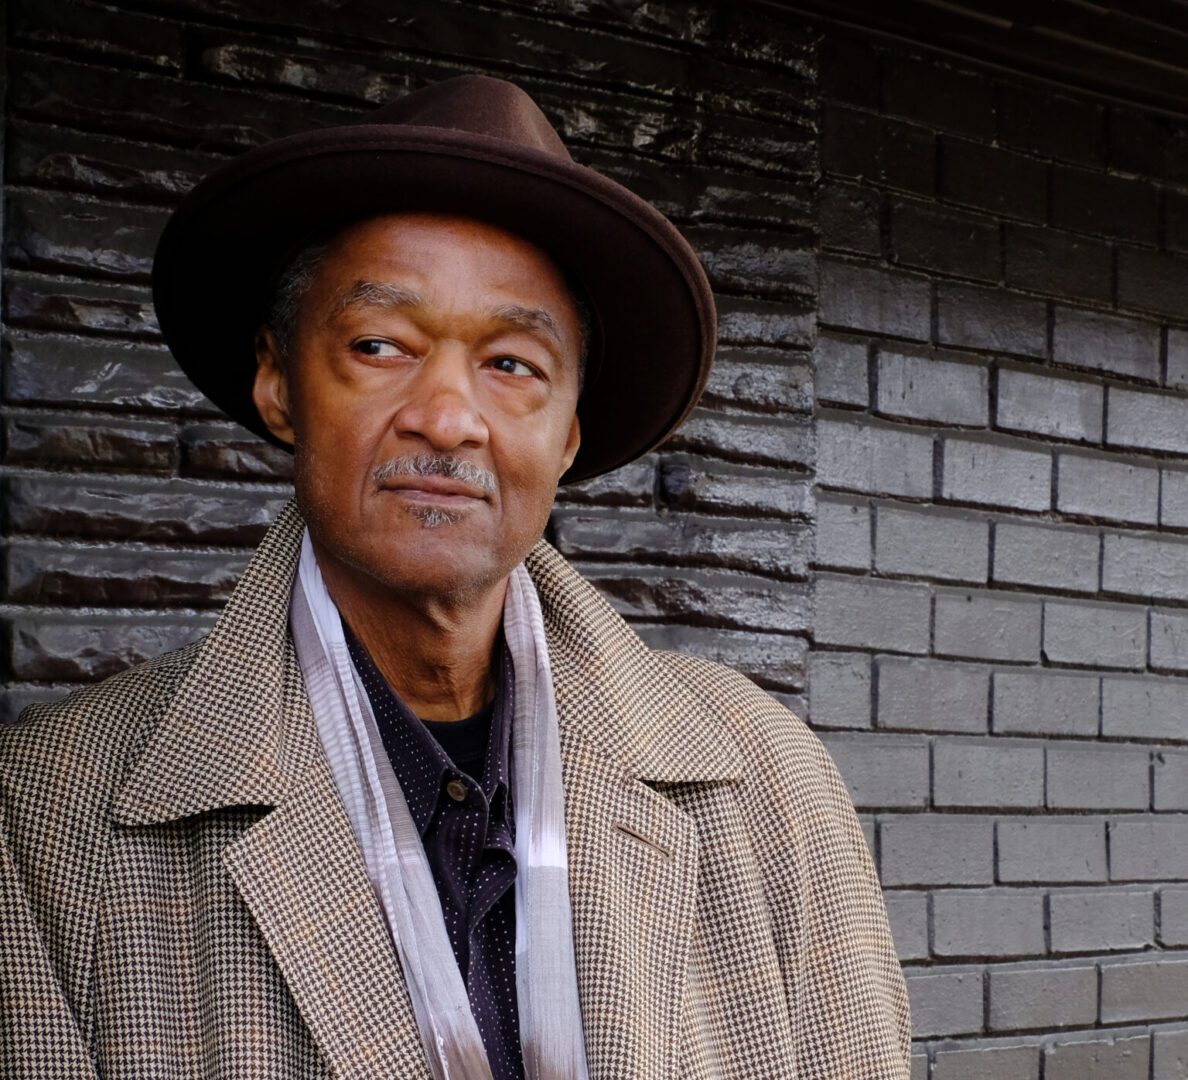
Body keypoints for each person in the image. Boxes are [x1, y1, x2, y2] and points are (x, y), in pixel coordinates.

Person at [0, 75, 911, 1079]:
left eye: (512, 364)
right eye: (380, 345)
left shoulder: (768, 782)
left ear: (567, 433)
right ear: (279, 382)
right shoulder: (52, 816)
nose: (447, 416)